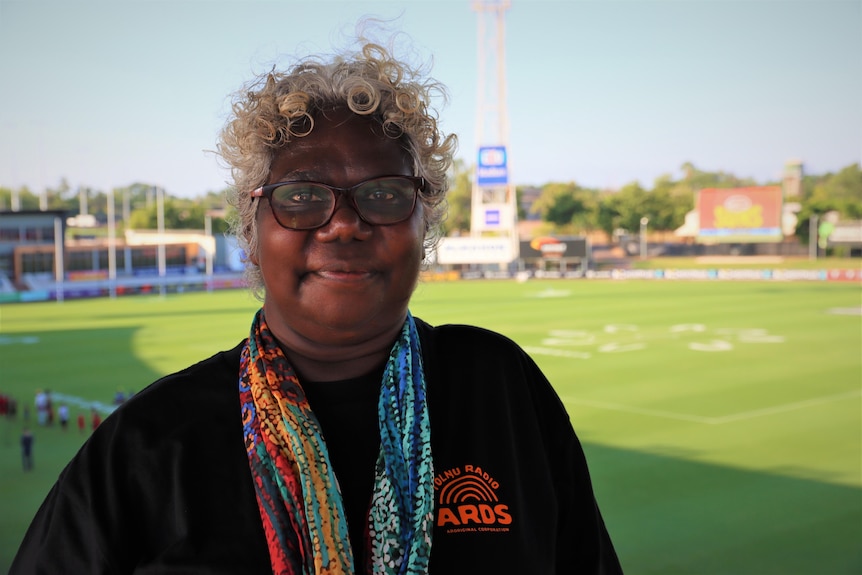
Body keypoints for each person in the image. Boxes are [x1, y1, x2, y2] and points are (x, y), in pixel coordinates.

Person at [11, 36, 623, 574]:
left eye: (384, 192)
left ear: (424, 221)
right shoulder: (147, 444)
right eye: (302, 196)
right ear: (252, 231)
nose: (344, 225)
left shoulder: (499, 388)